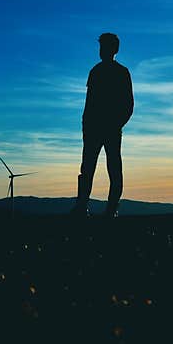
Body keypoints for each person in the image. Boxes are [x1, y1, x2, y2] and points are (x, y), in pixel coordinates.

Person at [71, 32, 134, 217]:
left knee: (113, 168)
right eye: (101, 47)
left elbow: (128, 105)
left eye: (105, 47)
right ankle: (82, 206)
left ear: (114, 49)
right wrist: (85, 125)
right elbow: (89, 103)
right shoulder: (95, 72)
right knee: (87, 168)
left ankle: (112, 208)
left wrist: (116, 124)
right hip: (92, 129)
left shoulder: (122, 72)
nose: (102, 50)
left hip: (112, 129)